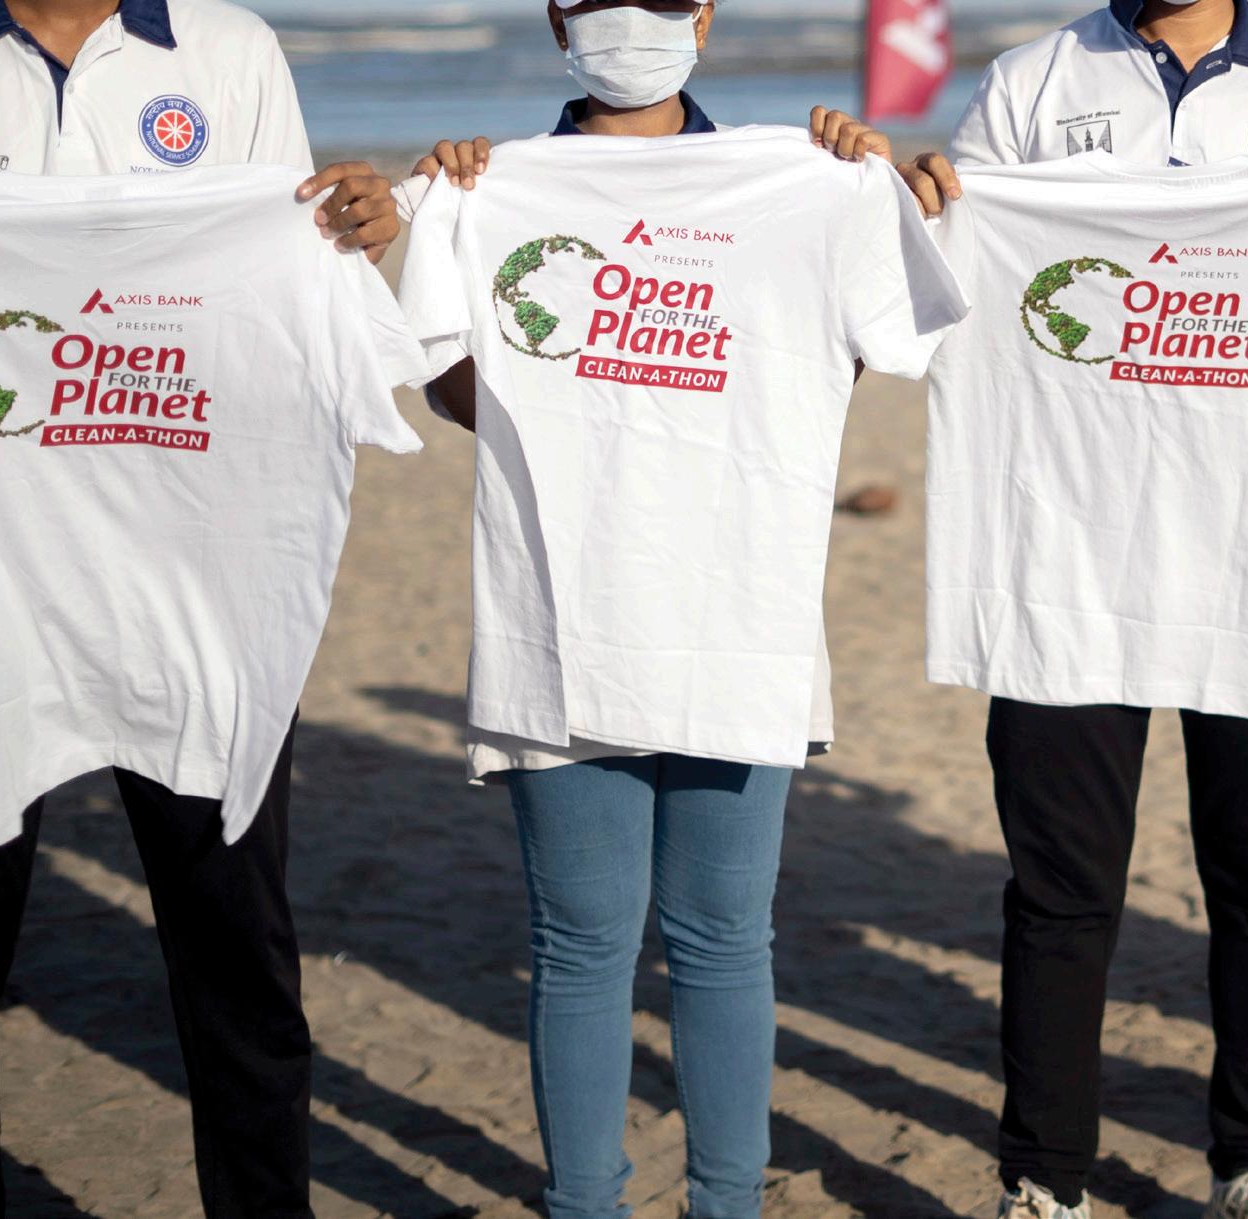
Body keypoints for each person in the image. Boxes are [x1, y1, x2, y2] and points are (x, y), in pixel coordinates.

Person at [816, 3, 1248, 1216]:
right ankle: (1046, 1178)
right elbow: (932, 293)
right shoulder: (1030, 82)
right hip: (1064, 555)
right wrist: (914, 208)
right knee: (1060, 890)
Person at [402, 4, 950, 1218]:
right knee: (583, 943)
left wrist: (869, 197)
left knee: (722, 938)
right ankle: (582, 1207)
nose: (630, 16)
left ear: (704, 13)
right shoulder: (491, 191)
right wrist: (440, 214)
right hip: (564, 614)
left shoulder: (803, 183)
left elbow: (849, 354)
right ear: (555, 13)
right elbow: (457, 388)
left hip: (735, 612)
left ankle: (727, 1204)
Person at [0, 0, 405, 1213]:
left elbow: (277, 280)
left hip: (196, 584)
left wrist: (350, 232)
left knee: (237, 947)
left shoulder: (228, 51)